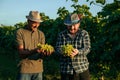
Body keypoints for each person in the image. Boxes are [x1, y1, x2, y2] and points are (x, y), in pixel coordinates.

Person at [55, 13, 91, 80]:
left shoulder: (84, 33)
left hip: (82, 68)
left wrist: (78, 52)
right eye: (69, 25)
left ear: (79, 24)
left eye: (74, 25)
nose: (72, 28)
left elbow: (87, 48)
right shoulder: (61, 35)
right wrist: (63, 52)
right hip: (66, 70)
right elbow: (57, 49)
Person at [16, 11, 45, 80]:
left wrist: (46, 53)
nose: (36, 25)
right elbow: (21, 53)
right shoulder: (20, 32)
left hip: (38, 70)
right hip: (25, 69)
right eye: (34, 22)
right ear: (28, 21)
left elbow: (42, 53)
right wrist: (34, 51)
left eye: (38, 23)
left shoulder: (41, 34)